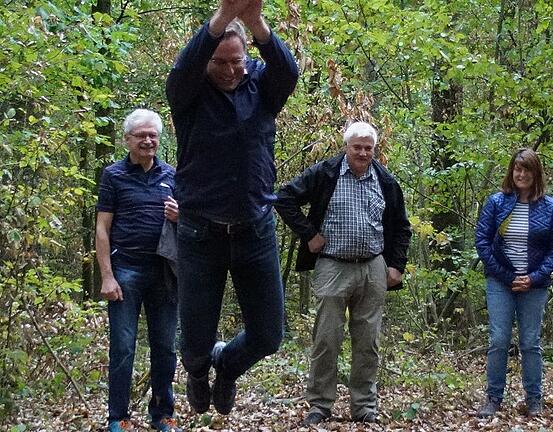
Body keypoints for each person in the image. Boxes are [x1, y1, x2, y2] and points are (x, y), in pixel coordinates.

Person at [165, 0, 299, 415]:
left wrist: (255, 21)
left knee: (268, 335)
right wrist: (223, 17)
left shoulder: (261, 87)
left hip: (254, 230)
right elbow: (183, 69)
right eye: (220, 63)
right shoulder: (188, 93)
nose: (230, 70)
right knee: (194, 341)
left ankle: (226, 368)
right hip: (199, 233)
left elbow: (289, 72)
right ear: (206, 62)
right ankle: (199, 369)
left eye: (237, 61)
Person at [274, 122, 412, 426]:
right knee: (326, 338)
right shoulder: (325, 173)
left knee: (368, 340)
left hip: (373, 266)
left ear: (375, 150)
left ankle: (363, 406)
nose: (362, 152)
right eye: (357, 147)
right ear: (346, 146)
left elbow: (402, 227)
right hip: (332, 265)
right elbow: (284, 199)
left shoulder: (385, 181)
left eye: (368, 148)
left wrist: (396, 266)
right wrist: (309, 233)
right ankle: (320, 404)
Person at [95, 109, 181, 432]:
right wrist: (107, 275)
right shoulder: (113, 176)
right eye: (141, 135)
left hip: (164, 272)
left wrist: (178, 215)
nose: (148, 140)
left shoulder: (172, 176)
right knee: (122, 346)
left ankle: (162, 414)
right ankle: (118, 417)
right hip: (125, 271)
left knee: (165, 347)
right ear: (127, 139)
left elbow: (188, 225)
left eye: (153, 135)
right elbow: (102, 228)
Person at [474, 148, 553, 418]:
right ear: (510, 171)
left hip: (535, 284)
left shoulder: (549, 206)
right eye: (517, 168)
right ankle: (493, 397)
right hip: (500, 282)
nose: (521, 173)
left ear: (535, 173)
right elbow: (482, 242)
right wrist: (506, 276)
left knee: (530, 342)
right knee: (499, 339)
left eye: (526, 169)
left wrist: (534, 277)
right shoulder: (496, 202)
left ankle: (535, 399)